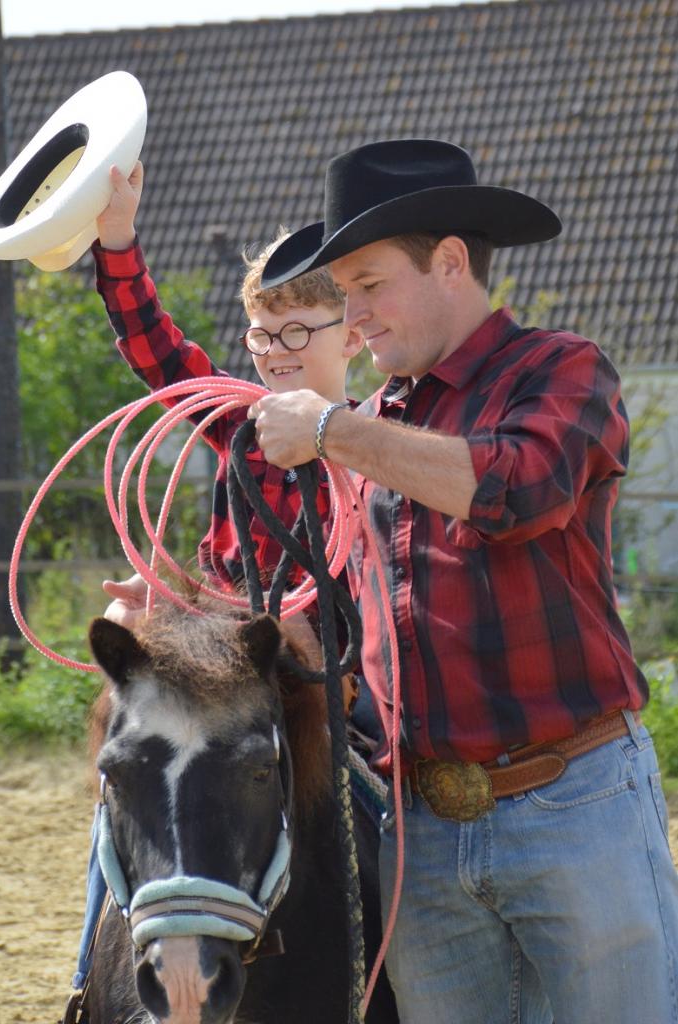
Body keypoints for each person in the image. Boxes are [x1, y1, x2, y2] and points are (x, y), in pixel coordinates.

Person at [248, 138, 678, 1024]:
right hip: (420, 830)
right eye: (345, 295)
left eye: (368, 286)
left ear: (449, 262)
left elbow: (515, 487)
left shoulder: (559, 370)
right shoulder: (368, 424)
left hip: (573, 803)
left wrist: (331, 431)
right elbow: (339, 603)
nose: (351, 317)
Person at [62, 160, 365, 1022]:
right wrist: (117, 241)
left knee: (385, 818)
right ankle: (94, 982)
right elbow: (160, 354)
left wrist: (308, 632)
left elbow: (375, 584)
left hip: (336, 693)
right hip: (228, 678)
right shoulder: (236, 428)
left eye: (296, 333)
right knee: (123, 800)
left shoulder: (375, 448)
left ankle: (389, 981)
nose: (272, 354)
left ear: (353, 335)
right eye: (260, 337)